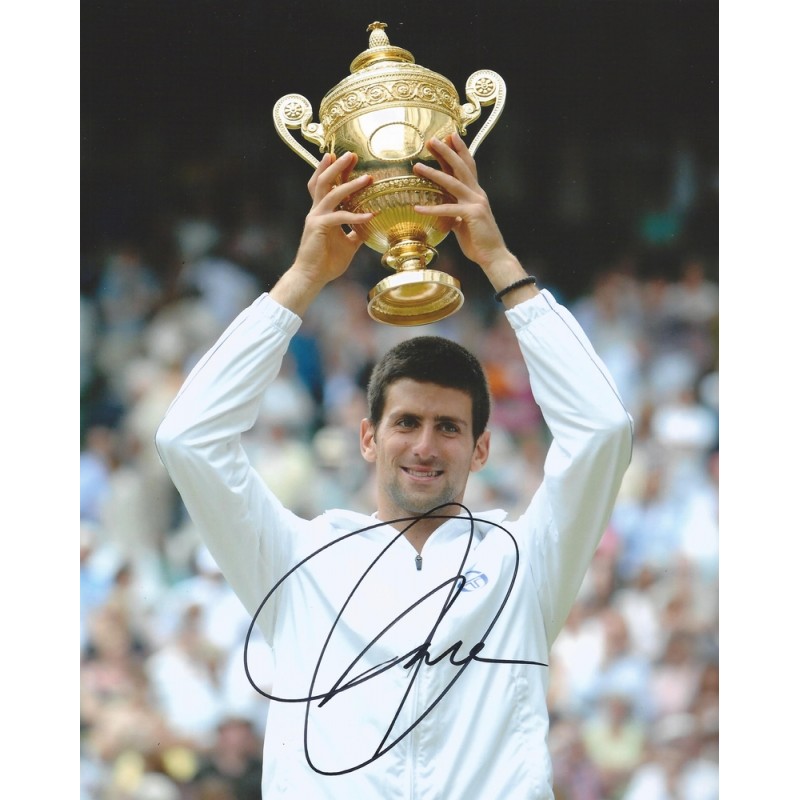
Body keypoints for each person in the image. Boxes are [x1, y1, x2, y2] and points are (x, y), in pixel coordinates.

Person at [155, 133, 634, 799]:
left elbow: (604, 429)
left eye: (449, 427)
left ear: (481, 448)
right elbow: (188, 438)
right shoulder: (293, 563)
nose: (425, 446)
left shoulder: (524, 564)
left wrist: (500, 264)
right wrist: (302, 280)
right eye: (406, 423)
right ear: (368, 438)